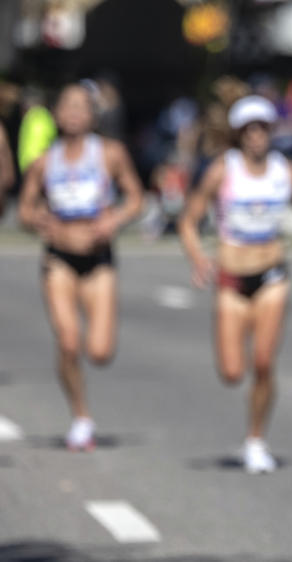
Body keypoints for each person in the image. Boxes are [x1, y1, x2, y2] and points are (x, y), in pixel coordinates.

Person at [178, 95, 292, 474]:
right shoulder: (223, 171)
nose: (257, 137)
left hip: (272, 275)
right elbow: (188, 221)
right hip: (231, 278)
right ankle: (251, 434)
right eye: (250, 130)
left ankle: (256, 440)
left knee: (265, 363)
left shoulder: (285, 173)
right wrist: (198, 258)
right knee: (232, 372)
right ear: (239, 134)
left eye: (263, 129)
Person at [18, 83, 144, 451]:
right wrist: (39, 220)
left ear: (93, 116)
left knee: (100, 351)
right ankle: (80, 416)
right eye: (67, 106)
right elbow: (24, 210)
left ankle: (82, 410)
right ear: (56, 114)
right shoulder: (45, 162)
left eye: (81, 107)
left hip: (98, 260)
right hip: (58, 259)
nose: (74, 113)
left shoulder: (110, 154)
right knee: (69, 341)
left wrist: (115, 220)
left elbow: (136, 197)